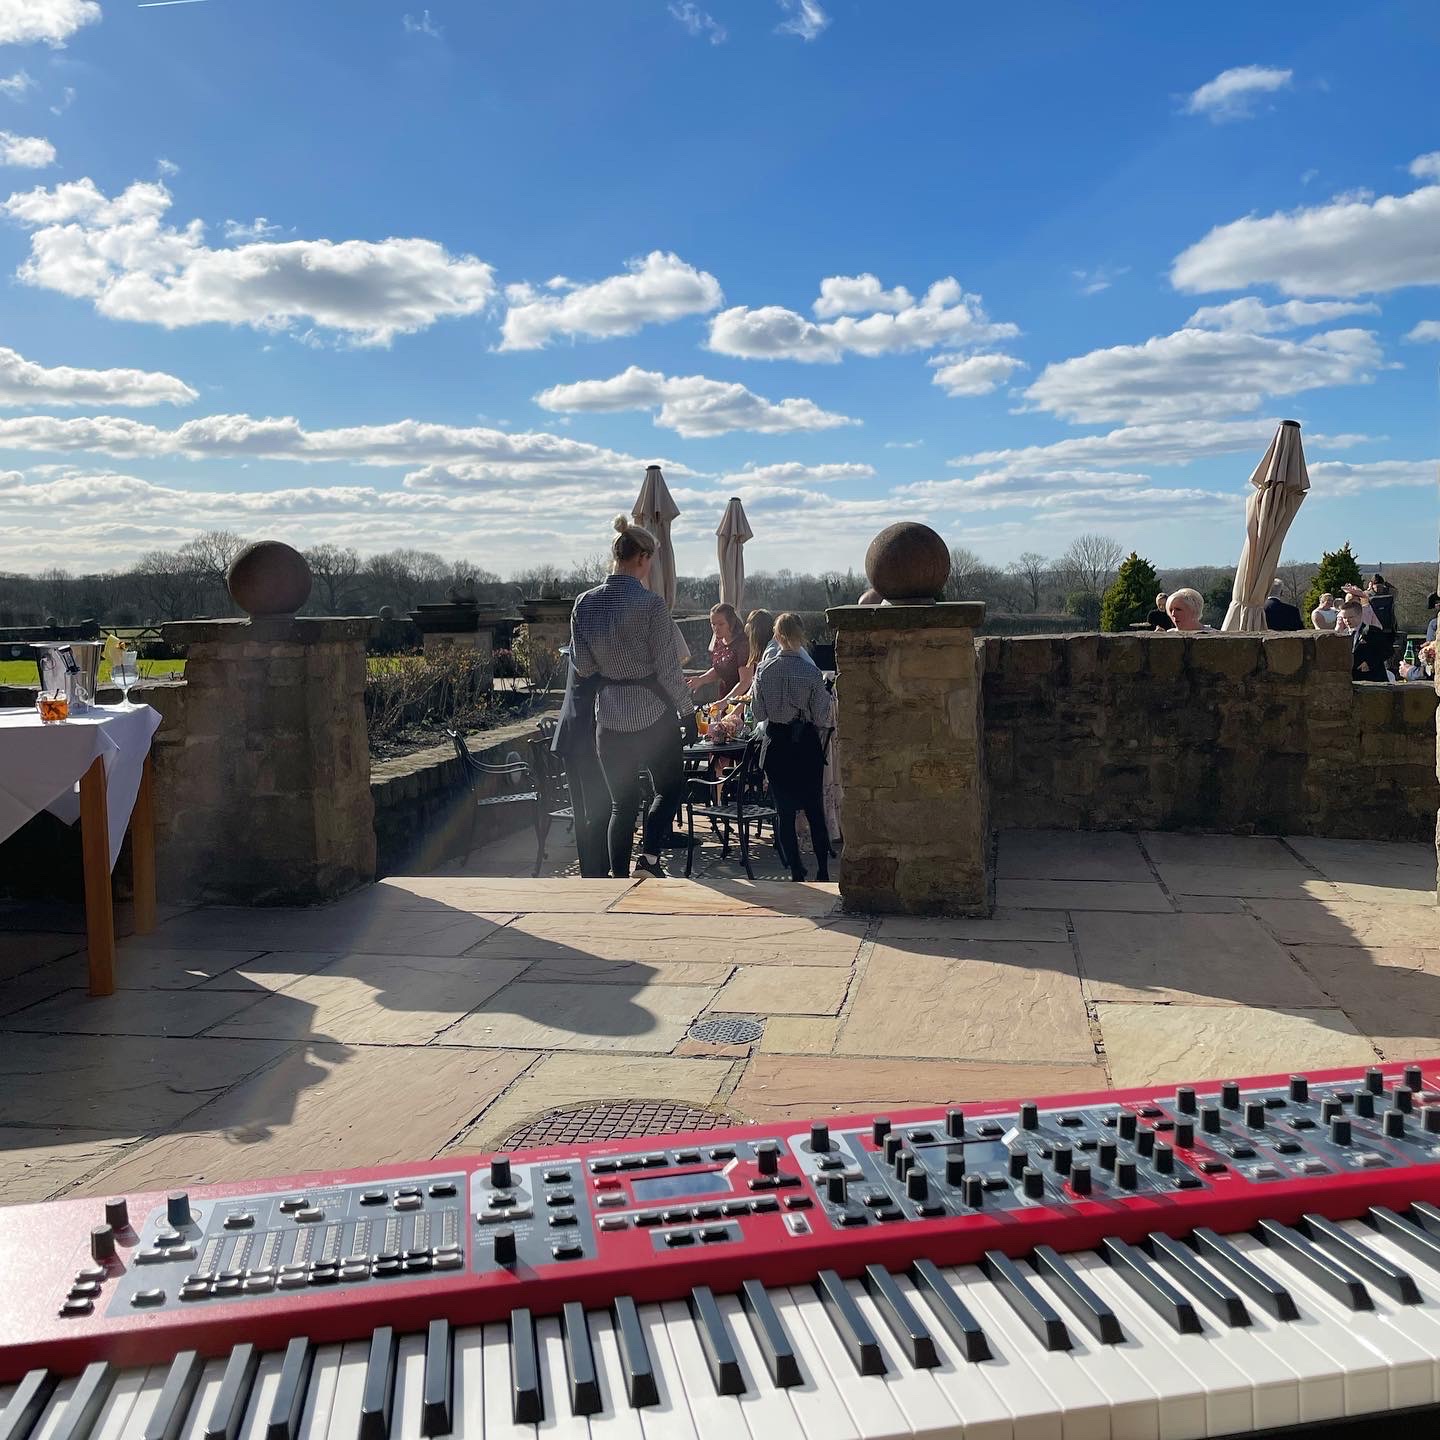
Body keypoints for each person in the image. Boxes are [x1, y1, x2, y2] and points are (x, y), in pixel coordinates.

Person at [570, 516, 695, 879]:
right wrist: (687, 714)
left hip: (608, 717)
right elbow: (669, 671)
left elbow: (583, 666)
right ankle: (650, 859)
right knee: (670, 788)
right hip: (653, 716)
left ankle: (617, 880)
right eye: (651, 559)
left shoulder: (584, 603)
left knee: (620, 805)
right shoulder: (652, 605)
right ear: (642, 557)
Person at [752, 613, 834, 882]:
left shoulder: (764, 671)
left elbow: (759, 713)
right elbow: (822, 717)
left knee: (784, 813)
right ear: (801, 636)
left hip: (777, 744)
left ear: (776, 636)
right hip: (805, 745)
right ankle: (822, 869)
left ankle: (796, 869)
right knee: (814, 810)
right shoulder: (812, 673)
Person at [550, 656, 609, 878]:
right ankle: (595, 872)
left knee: (592, 809)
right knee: (592, 809)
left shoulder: (585, 640)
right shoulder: (587, 646)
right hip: (581, 736)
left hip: (577, 734)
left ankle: (597, 869)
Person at [686, 603, 747, 700]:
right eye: (713, 624)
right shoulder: (719, 641)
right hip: (725, 694)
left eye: (721, 624)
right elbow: (720, 668)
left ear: (730, 623)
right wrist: (701, 679)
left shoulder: (742, 644)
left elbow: (746, 682)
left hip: (741, 699)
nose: (716, 628)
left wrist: (725, 702)